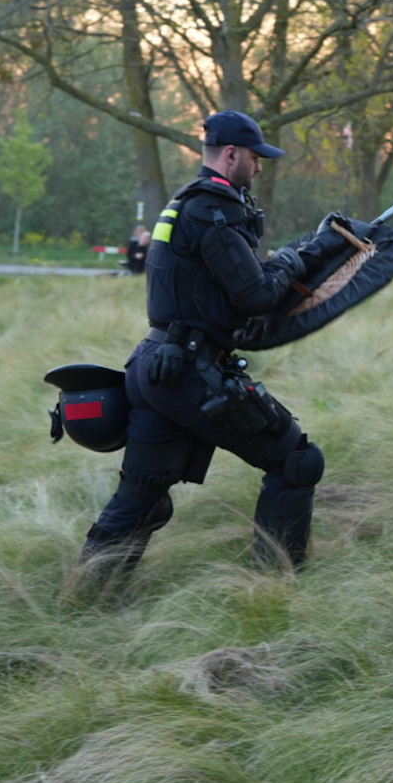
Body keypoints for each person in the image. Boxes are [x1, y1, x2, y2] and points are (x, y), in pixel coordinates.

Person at [79, 111, 331, 582]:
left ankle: (84, 593)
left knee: (142, 495)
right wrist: (291, 262)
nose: (259, 169)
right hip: (192, 374)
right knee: (297, 461)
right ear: (232, 154)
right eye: (256, 158)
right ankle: (277, 587)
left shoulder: (181, 202)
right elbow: (255, 295)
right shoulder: (214, 209)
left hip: (156, 369)